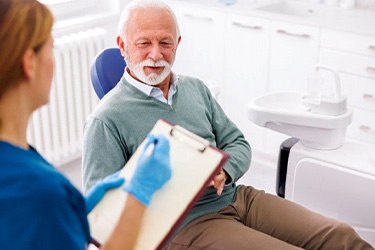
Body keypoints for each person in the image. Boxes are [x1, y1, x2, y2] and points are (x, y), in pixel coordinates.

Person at [82, 0, 374, 249]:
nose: (156, 54)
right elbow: (101, 217)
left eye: (165, 43)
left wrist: (225, 170)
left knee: (342, 236)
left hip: (237, 197)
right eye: (144, 43)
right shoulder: (107, 119)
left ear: (178, 44)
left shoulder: (195, 89)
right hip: (186, 224)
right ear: (122, 46)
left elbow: (238, 143)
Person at [0, 1, 172, 250]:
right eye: (52, 48)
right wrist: (139, 194)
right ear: (30, 63)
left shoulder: (19, 162)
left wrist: (74, 211)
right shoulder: (39, 192)